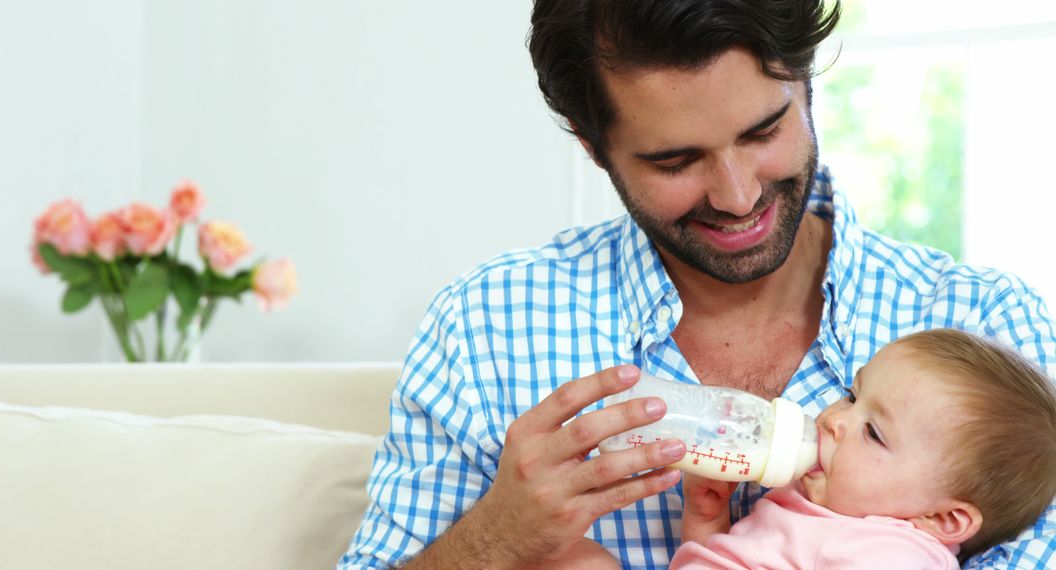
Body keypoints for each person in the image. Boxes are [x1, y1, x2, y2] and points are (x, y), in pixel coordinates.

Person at [339, 1, 1056, 568]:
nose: (740, 195)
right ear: (594, 147)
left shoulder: (988, 329)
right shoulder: (486, 327)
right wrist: (497, 538)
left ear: (805, 86)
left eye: (763, 130)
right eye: (677, 160)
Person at [671, 328, 1056, 569]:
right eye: (852, 396)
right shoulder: (828, 507)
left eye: (873, 433)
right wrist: (707, 519)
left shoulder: (887, 554)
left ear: (942, 520)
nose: (835, 420)